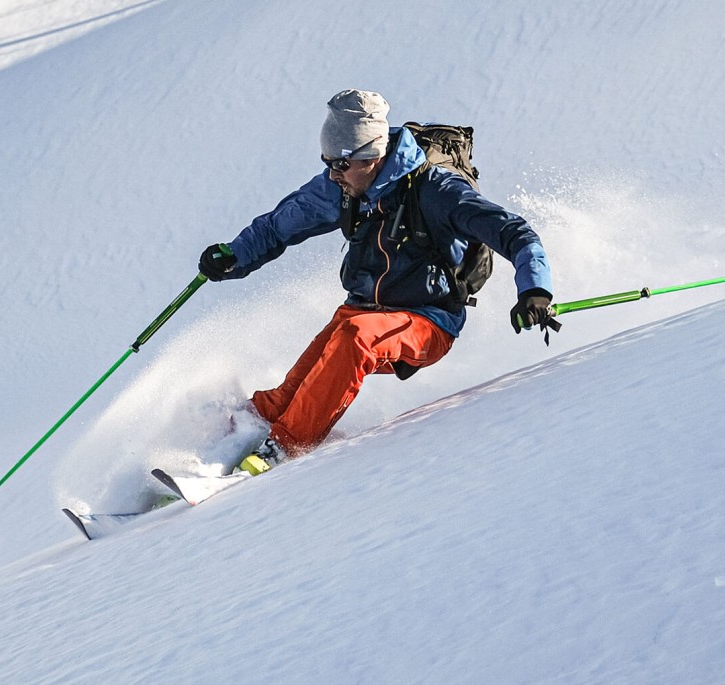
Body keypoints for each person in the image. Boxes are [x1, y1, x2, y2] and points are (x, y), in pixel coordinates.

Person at [198, 89, 554, 475]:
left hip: (428, 319)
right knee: (303, 377)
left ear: (372, 157)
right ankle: (247, 429)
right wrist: (235, 255)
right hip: (363, 310)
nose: (333, 174)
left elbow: (515, 233)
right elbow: (280, 225)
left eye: (341, 164)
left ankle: (282, 449)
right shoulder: (343, 187)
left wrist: (535, 290)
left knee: (355, 336)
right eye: (328, 163)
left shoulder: (436, 191)